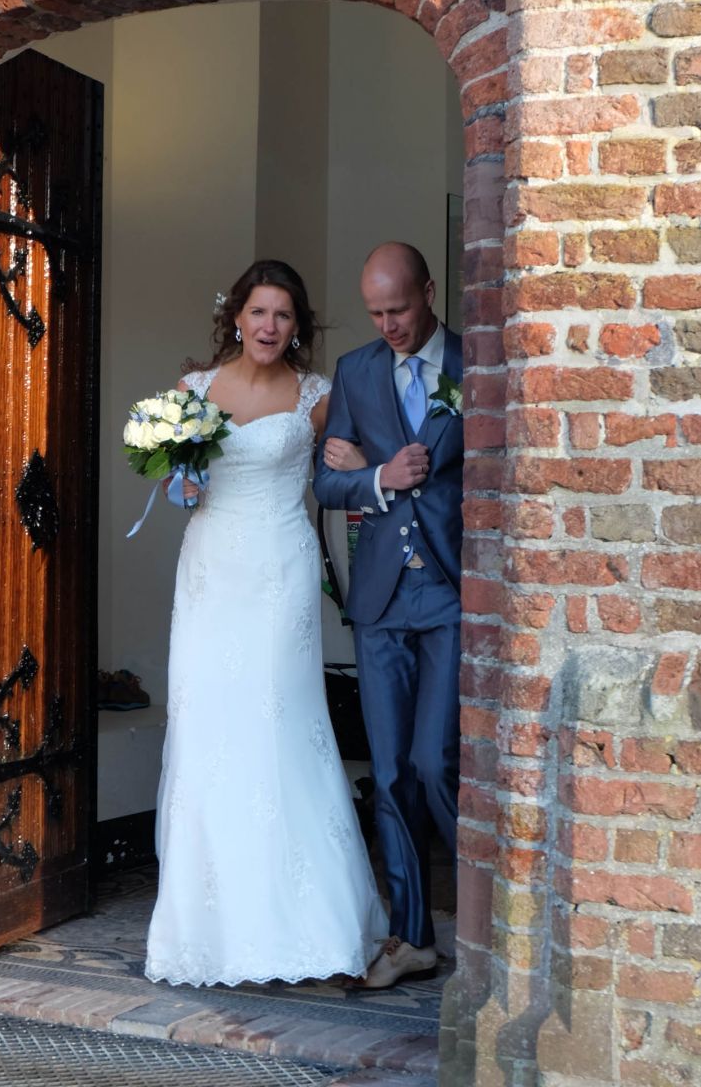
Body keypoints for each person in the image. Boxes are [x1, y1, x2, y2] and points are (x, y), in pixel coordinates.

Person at [144, 259, 388, 988]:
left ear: (297, 326)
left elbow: (352, 471)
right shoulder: (192, 392)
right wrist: (179, 481)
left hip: (280, 573)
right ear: (237, 316)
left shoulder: (317, 396)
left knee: (279, 722)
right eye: (258, 312)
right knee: (208, 725)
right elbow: (176, 483)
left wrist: (361, 460)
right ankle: (210, 925)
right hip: (210, 573)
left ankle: (309, 922)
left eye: (283, 315)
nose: (269, 326)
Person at [312, 242, 462, 990]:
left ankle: (492, 922)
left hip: (451, 592)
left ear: (428, 292)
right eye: (375, 313)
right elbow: (326, 483)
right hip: (379, 600)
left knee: (437, 763)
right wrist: (376, 475)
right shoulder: (355, 372)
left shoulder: (475, 362)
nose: (388, 325)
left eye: (397, 309)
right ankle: (411, 938)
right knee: (393, 768)